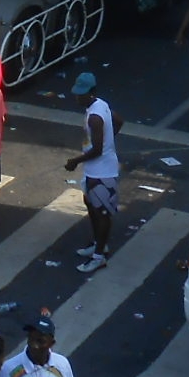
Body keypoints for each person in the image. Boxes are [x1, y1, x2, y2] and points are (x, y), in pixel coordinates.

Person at [65, 88, 119, 271]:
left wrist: (75, 161)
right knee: (91, 205)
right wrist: (109, 141)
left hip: (102, 173)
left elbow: (96, 150)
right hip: (93, 171)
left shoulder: (95, 117)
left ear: (89, 93)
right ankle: (98, 244)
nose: (76, 98)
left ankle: (99, 256)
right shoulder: (101, 105)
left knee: (102, 213)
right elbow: (118, 121)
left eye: (80, 94)